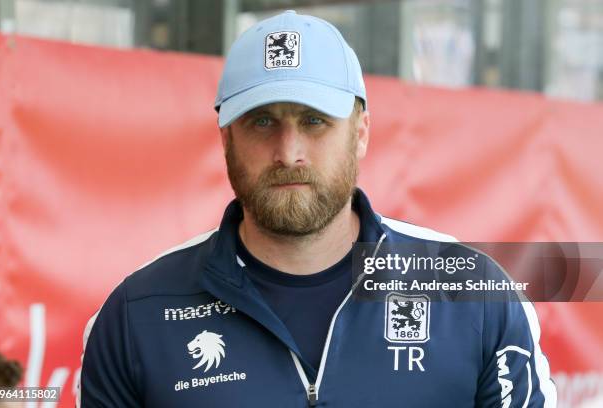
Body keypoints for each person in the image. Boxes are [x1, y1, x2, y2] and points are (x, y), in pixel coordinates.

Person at [79, 10, 557, 407]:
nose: (289, 151)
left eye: (314, 121)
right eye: (262, 121)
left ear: (361, 132)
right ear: (226, 139)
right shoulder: (135, 314)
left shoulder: (474, 296)